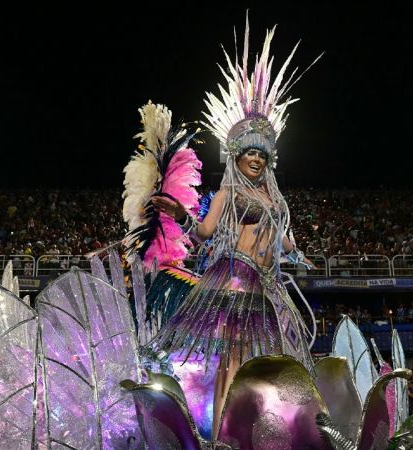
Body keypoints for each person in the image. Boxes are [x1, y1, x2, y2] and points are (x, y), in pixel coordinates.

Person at [149, 18, 319, 438]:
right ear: (237, 156)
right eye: (249, 154)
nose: (256, 160)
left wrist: (297, 252)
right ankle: (222, 432)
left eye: (262, 154)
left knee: (266, 356)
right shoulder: (229, 190)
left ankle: (263, 429)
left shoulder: (274, 199)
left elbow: (281, 238)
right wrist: (180, 214)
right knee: (232, 356)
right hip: (234, 280)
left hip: (266, 285)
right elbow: (205, 232)